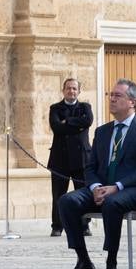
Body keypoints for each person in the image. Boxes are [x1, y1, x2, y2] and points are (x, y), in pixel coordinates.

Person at [57, 79, 136, 269]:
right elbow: (90, 166)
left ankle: (111, 263)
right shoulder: (102, 131)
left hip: (135, 190)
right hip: (103, 188)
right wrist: (95, 187)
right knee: (67, 201)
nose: (112, 99)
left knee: (113, 203)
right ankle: (84, 262)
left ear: (132, 102)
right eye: (111, 95)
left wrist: (117, 187)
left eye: (117, 95)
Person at [48, 78, 92, 237]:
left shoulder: (85, 107)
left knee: (83, 194)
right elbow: (56, 127)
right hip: (60, 159)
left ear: (79, 91)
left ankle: (84, 226)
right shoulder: (55, 108)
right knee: (58, 195)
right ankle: (57, 226)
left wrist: (67, 121)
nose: (71, 91)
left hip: (81, 159)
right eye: (68, 88)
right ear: (63, 90)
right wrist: (77, 125)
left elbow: (88, 121)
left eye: (74, 88)